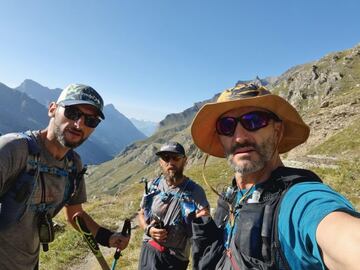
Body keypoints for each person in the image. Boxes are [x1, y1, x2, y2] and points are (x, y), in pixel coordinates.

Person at [190, 83, 360, 270]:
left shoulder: (300, 201)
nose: (239, 137)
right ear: (220, 138)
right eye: (226, 125)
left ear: (277, 131)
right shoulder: (231, 196)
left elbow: (341, 235)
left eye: (254, 120)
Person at [0, 83, 130, 270]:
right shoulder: (12, 149)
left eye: (91, 120)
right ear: (52, 109)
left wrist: (107, 237)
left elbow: (76, 214)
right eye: (72, 112)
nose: (79, 124)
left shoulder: (73, 165)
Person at [138, 141, 210, 270]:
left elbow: (204, 223)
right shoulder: (152, 186)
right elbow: (142, 212)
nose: (170, 162)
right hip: (149, 250)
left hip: (175, 258)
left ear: (184, 160)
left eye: (175, 157)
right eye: (166, 158)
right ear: (161, 162)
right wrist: (148, 230)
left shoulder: (195, 191)